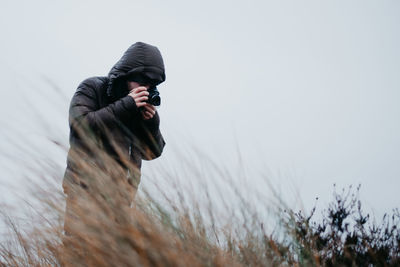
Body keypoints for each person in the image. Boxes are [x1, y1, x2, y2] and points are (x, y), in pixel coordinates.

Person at [62, 42, 166, 237]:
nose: (146, 89)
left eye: (151, 85)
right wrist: (126, 105)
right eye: (142, 82)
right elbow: (80, 126)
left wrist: (151, 123)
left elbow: (153, 153)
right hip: (84, 196)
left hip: (121, 204)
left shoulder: (139, 108)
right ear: (128, 74)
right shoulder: (93, 88)